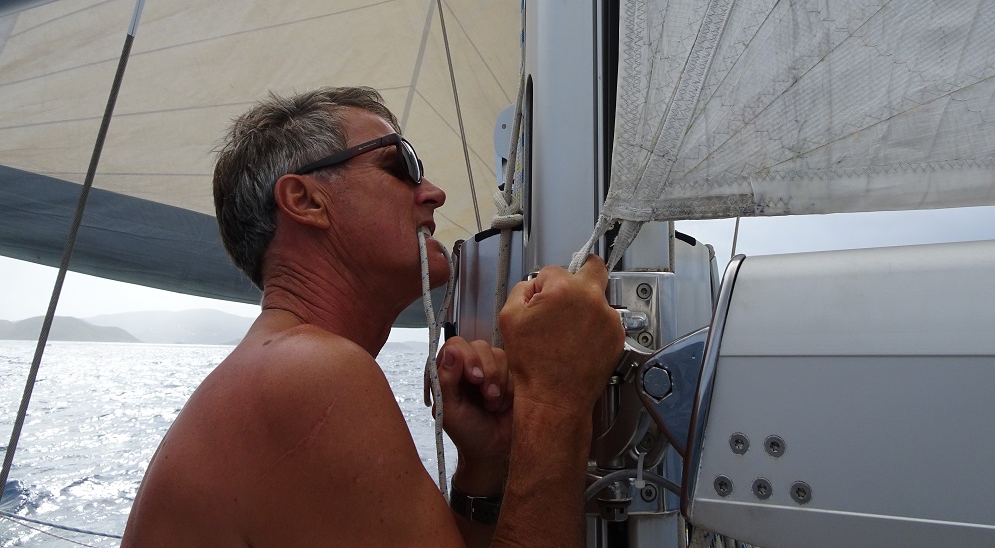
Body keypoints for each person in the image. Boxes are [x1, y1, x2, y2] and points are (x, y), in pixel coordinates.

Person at [121, 87, 624, 548]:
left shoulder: (277, 369)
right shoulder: (307, 375)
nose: (433, 193)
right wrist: (556, 401)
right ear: (305, 200)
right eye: (399, 166)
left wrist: (486, 470)